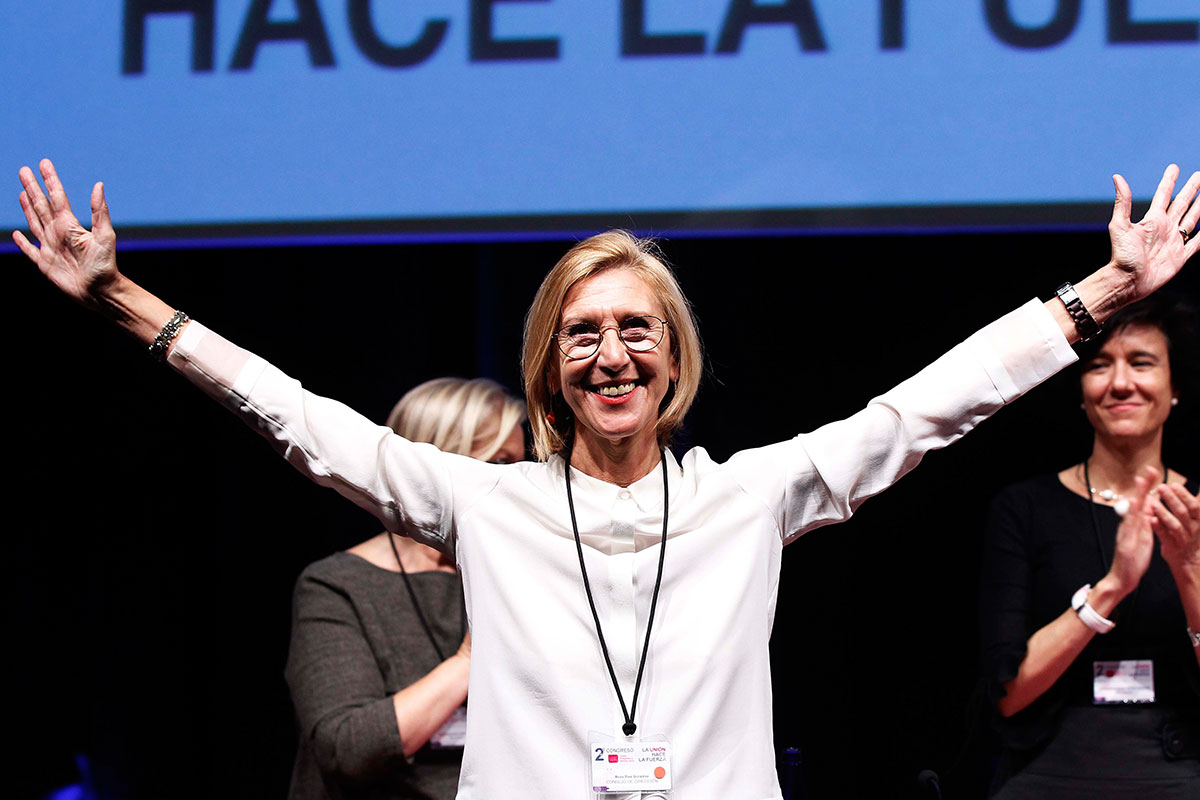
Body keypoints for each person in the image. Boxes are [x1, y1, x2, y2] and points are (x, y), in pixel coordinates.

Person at [13, 158, 1199, 799]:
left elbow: (928, 406)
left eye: (637, 328)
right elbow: (299, 419)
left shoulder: (748, 496)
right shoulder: (484, 501)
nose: (612, 352)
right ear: (550, 368)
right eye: (582, 333)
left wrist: (1102, 294)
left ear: (674, 359)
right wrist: (123, 299)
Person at [979, 297, 1200, 799]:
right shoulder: (1025, 508)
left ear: (1174, 388)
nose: (1120, 383)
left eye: (1141, 363)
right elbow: (1007, 694)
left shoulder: (1195, 512)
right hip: (1048, 766)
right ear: (1082, 392)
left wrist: (1189, 566)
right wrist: (1112, 588)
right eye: (1099, 366)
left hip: (1181, 764)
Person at [286, 377, 526, 800]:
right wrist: (469, 658)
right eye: (497, 463)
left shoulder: (517, 574)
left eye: (519, 468)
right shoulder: (338, 585)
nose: (514, 485)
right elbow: (347, 751)